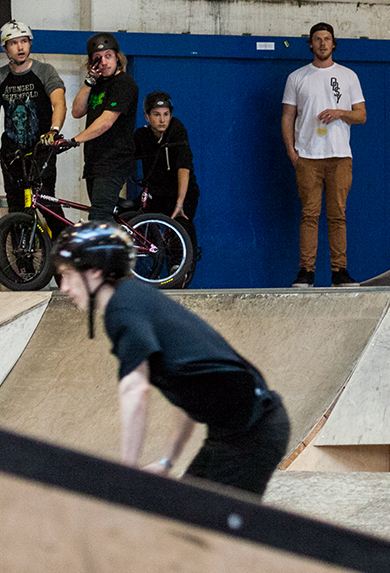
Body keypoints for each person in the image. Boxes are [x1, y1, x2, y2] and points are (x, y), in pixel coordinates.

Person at [50, 221, 289, 496]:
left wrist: (125, 476)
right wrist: (167, 462)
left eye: (68, 275)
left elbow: (135, 391)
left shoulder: (122, 310)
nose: (64, 287)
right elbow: (187, 392)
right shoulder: (136, 301)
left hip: (253, 434)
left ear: (94, 271)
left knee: (209, 533)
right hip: (232, 434)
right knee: (179, 519)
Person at [281, 23, 365, 287]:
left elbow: (361, 115)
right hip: (307, 156)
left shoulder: (348, 76)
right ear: (310, 44)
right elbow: (287, 116)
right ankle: (306, 272)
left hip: (339, 155)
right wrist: (292, 152)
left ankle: (340, 272)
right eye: (317, 39)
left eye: (327, 39)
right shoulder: (297, 77)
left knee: (337, 215)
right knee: (309, 214)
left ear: (334, 43)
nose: (322, 44)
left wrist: (339, 112)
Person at [0, 21, 66, 219]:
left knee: (46, 201)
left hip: (40, 149)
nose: (20, 47)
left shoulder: (45, 71)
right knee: (16, 208)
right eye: (13, 43)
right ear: (5, 48)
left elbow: (59, 103)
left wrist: (53, 130)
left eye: (24, 41)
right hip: (12, 152)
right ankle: (21, 250)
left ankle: (63, 246)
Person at [62, 32, 139, 222]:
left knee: (98, 217)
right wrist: (89, 82)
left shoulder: (124, 83)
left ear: (117, 57)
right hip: (94, 161)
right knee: (104, 215)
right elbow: (77, 111)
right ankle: (117, 248)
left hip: (114, 160)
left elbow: (106, 121)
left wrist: (75, 140)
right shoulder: (96, 84)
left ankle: (106, 251)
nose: (103, 62)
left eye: (108, 56)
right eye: (97, 59)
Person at [133, 91, 200, 261]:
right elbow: (126, 158)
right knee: (128, 215)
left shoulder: (176, 130)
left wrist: (179, 204)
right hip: (157, 191)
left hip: (180, 191)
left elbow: (183, 168)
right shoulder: (141, 135)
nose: (162, 120)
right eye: (156, 115)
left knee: (181, 224)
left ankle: (180, 267)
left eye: (166, 114)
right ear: (147, 117)